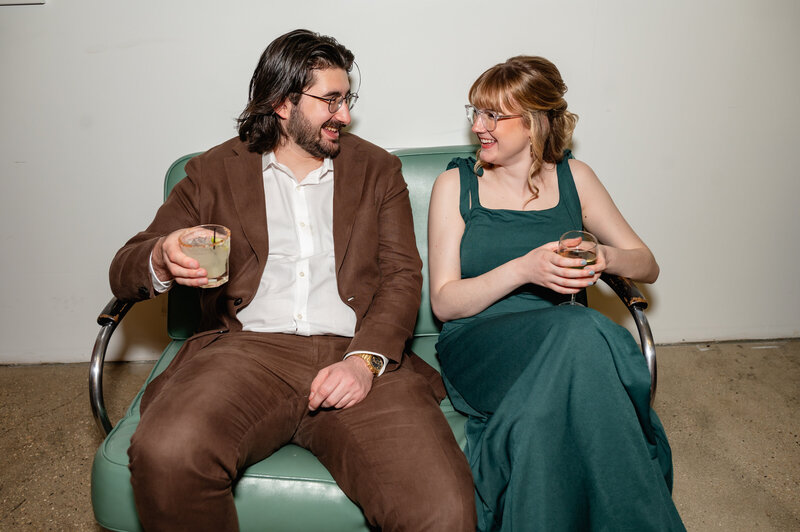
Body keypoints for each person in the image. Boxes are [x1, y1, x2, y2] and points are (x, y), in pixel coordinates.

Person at [109, 29, 475, 531]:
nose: (344, 115)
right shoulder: (214, 172)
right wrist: (161, 255)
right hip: (247, 351)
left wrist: (365, 362)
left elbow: (400, 277)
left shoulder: (376, 169)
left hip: (356, 351)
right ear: (282, 103)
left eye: (347, 100)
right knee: (168, 452)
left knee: (442, 509)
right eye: (331, 100)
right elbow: (124, 266)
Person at [428, 55, 685, 531]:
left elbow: (647, 264)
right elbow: (444, 301)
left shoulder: (576, 178)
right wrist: (525, 268)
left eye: (493, 115)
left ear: (533, 124)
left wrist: (605, 256)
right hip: (480, 345)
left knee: (557, 397)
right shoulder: (456, 185)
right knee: (581, 328)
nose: (479, 127)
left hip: (569, 349)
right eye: (475, 112)